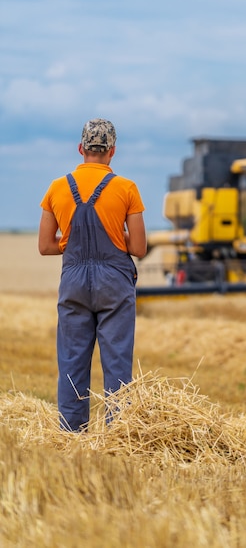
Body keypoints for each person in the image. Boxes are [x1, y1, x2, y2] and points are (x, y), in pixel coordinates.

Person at [38, 118, 147, 431]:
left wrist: (71, 243)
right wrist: (115, 237)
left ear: (81, 149)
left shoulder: (57, 188)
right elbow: (138, 247)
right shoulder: (127, 188)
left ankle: (72, 434)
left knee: (71, 363)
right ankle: (117, 433)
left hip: (73, 281)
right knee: (117, 364)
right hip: (114, 282)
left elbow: (46, 246)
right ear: (112, 151)